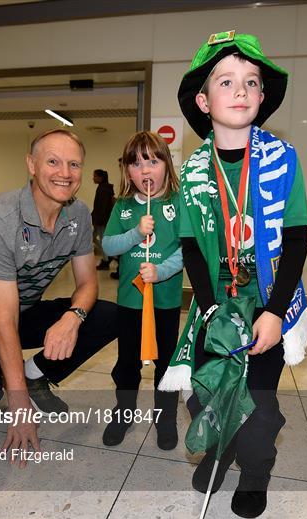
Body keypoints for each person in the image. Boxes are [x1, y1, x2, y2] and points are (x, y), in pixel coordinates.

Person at [159, 31, 307, 518]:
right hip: (215, 304)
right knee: (204, 393)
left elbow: (296, 242)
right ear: (204, 100)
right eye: (226, 81)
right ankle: (220, 450)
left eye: (251, 81)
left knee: (258, 409)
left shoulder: (282, 160)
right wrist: (207, 308)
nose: (240, 90)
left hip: (266, 302)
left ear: (263, 96)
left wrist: (272, 313)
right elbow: (190, 246)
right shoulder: (195, 169)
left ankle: (255, 467)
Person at [0, 129, 118, 462]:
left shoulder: (77, 216)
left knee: (108, 316)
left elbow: (88, 283)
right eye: (53, 161)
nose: (64, 173)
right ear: (32, 165)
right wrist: (19, 408)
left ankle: (33, 374)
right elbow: (2, 322)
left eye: (74, 164)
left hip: (21, 310)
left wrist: (72, 319)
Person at [101, 131, 183, 451]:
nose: (145, 170)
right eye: (136, 164)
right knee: (127, 362)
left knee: (165, 362)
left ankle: (165, 417)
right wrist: (136, 233)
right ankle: (124, 411)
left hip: (165, 302)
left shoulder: (178, 202)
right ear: (127, 171)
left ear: (166, 164)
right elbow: (108, 244)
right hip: (131, 302)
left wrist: (161, 271)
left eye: (152, 161)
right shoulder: (122, 206)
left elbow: (185, 249)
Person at [91, 168, 115, 270]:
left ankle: (107, 259)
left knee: (101, 241)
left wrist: (98, 220)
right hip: (99, 220)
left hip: (102, 221)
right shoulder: (103, 188)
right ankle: (108, 257)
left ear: (100, 178)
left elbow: (103, 207)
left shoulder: (104, 189)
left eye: (95, 176)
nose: (93, 178)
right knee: (93, 239)